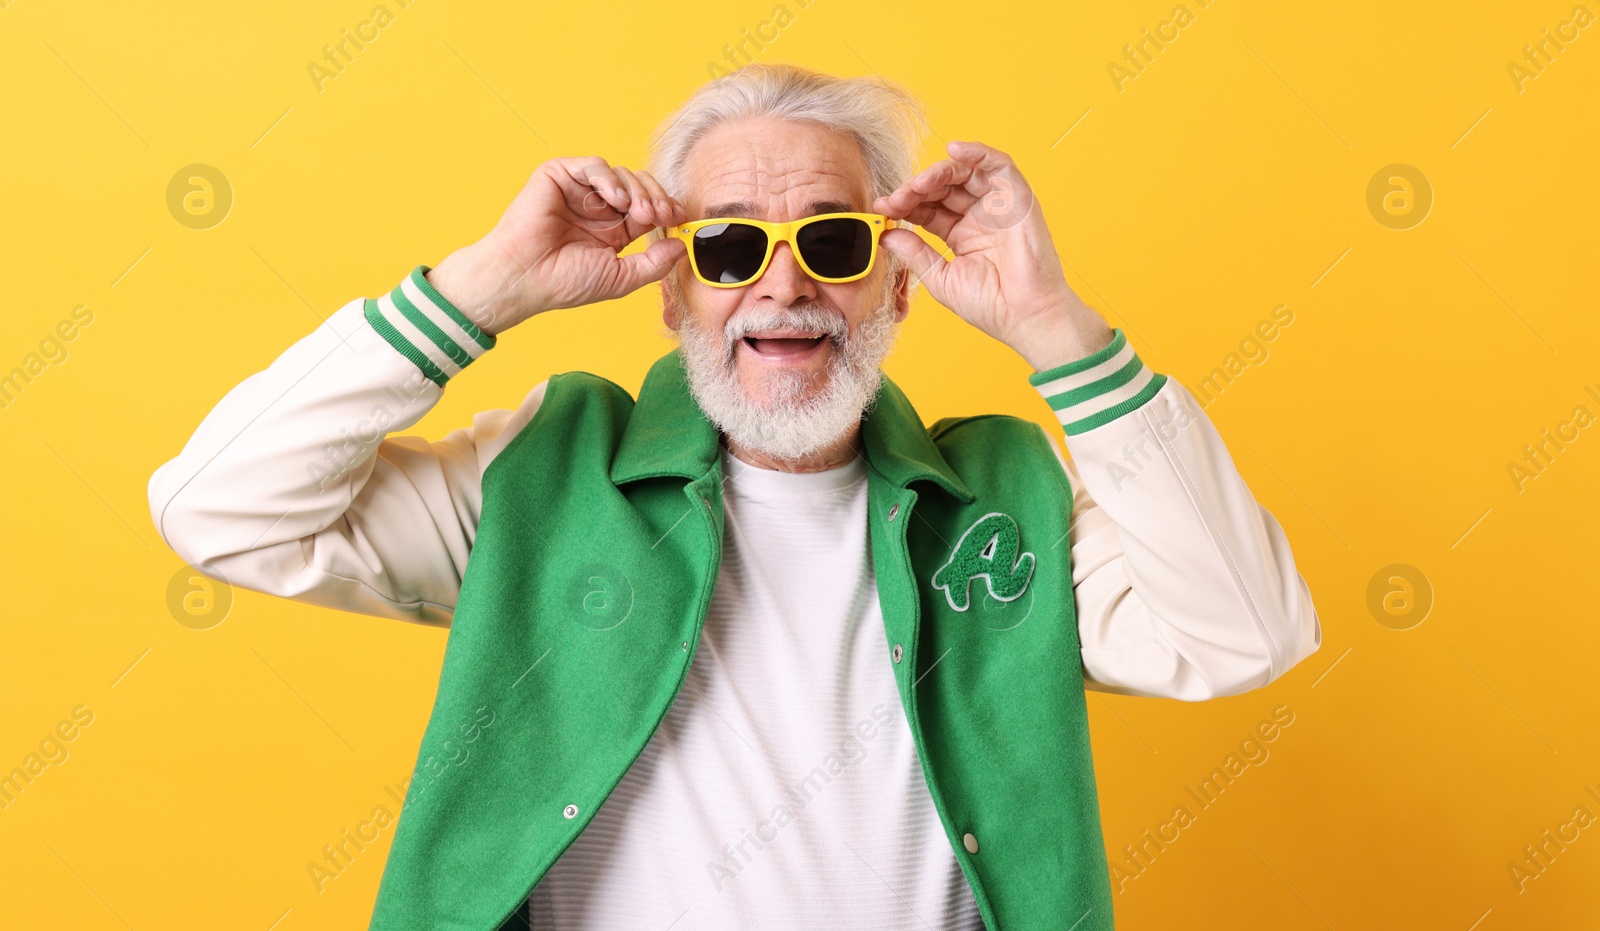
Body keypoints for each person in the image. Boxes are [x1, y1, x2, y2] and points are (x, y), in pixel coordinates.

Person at [148, 63, 1320, 931]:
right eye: (727, 248)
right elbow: (218, 505)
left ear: (898, 288)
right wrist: (477, 291)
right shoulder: (545, 477)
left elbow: (1248, 632)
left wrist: (1062, 335)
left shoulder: (1004, 495)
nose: (786, 282)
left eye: (835, 239)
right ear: (670, 293)